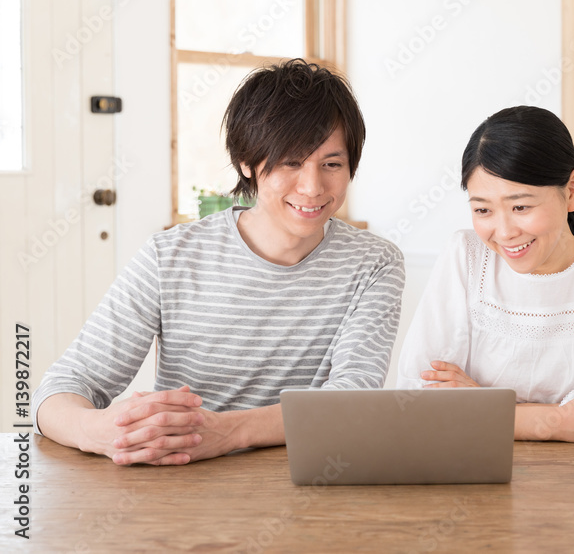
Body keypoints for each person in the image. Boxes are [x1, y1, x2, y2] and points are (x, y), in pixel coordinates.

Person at [33, 59, 405, 465]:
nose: (313, 187)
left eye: (331, 164)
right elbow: (63, 388)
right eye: (290, 162)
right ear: (247, 162)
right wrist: (102, 432)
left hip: (308, 482)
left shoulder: (375, 264)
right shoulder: (170, 256)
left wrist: (228, 432)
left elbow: (353, 399)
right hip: (181, 482)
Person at [396, 106, 574, 442]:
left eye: (521, 207)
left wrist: (482, 405)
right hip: (481, 478)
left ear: (572, 190)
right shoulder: (465, 255)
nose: (505, 231)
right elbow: (418, 399)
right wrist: (563, 421)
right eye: (483, 209)